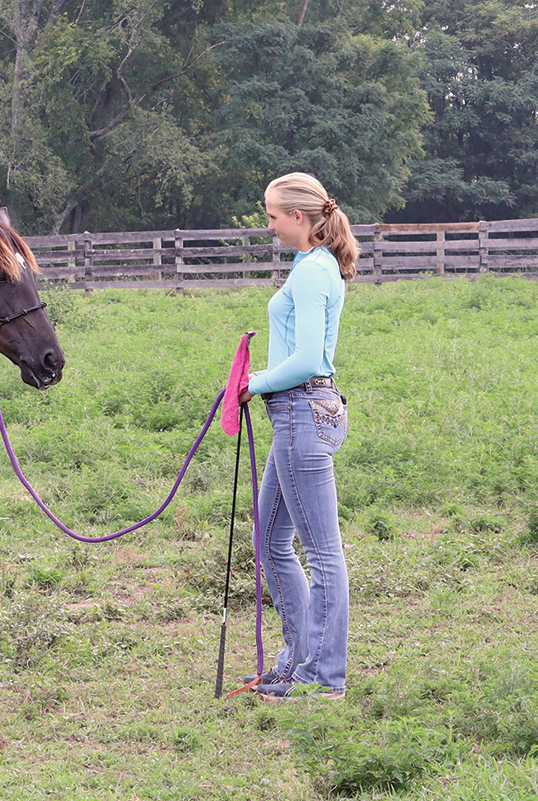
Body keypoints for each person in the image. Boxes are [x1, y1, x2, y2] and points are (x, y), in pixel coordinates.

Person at [237, 171, 358, 701]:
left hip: (299, 413)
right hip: (299, 412)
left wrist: (252, 383)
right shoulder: (309, 265)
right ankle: (297, 662)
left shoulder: (312, 271)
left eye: (272, 216)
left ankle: (323, 678)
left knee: (322, 551)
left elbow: (309, 358)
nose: (269, 226)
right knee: (269, 536)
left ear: (299, 218)